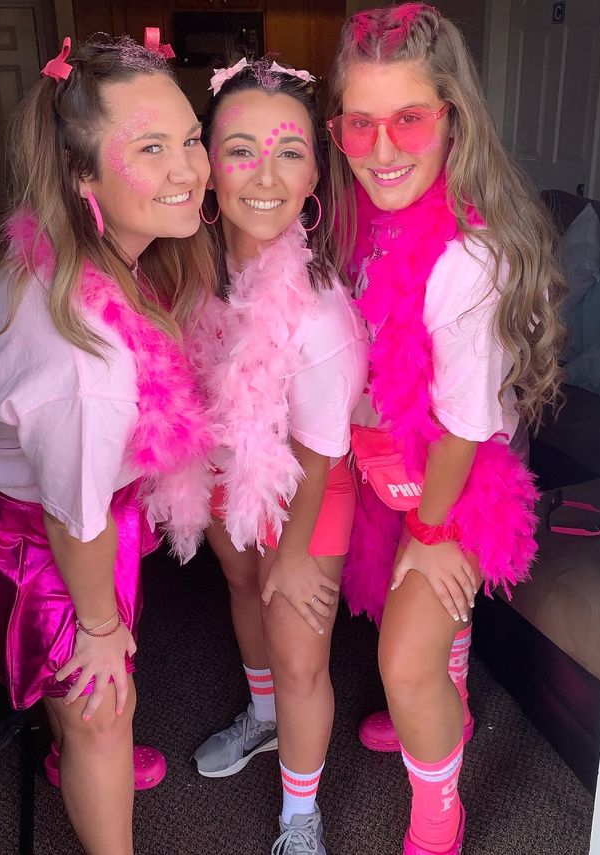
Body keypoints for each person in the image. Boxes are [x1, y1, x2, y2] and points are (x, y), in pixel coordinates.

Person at [0, 32, 215, 855]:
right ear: (81, 178)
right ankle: (92, 769)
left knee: (90, 690)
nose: (189, 169)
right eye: (150, 149)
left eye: (190, 138)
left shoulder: (70, 250)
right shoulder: (85, 357)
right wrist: (97, 628)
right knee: (104, 702)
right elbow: (75, 519)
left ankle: (72, 743)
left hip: (19, 484)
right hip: (33, 530)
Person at [325, 4, 565, 854]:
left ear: (451, 119)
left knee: (402, 655)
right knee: (426, 645)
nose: (383, 149)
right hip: (387, 461)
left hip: (454, 482)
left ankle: (438, 817)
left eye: (409, 119)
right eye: (361, 124)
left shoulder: (469, 259)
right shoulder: (358, 222)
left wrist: (429, 532)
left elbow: (464, 426)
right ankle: (443, 705)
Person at [186, 58, 368, 854]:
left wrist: (294, 552)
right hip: (222, 469)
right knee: (242, 588)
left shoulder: (323, 314)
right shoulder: (184, 268)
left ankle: (300, 815)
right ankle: (261, 718)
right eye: (240, 149)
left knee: (297, 643)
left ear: (314, 176)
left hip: (308, 484)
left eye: (288, 151)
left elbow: (322, 448)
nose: (264, 174)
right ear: (206, 164)